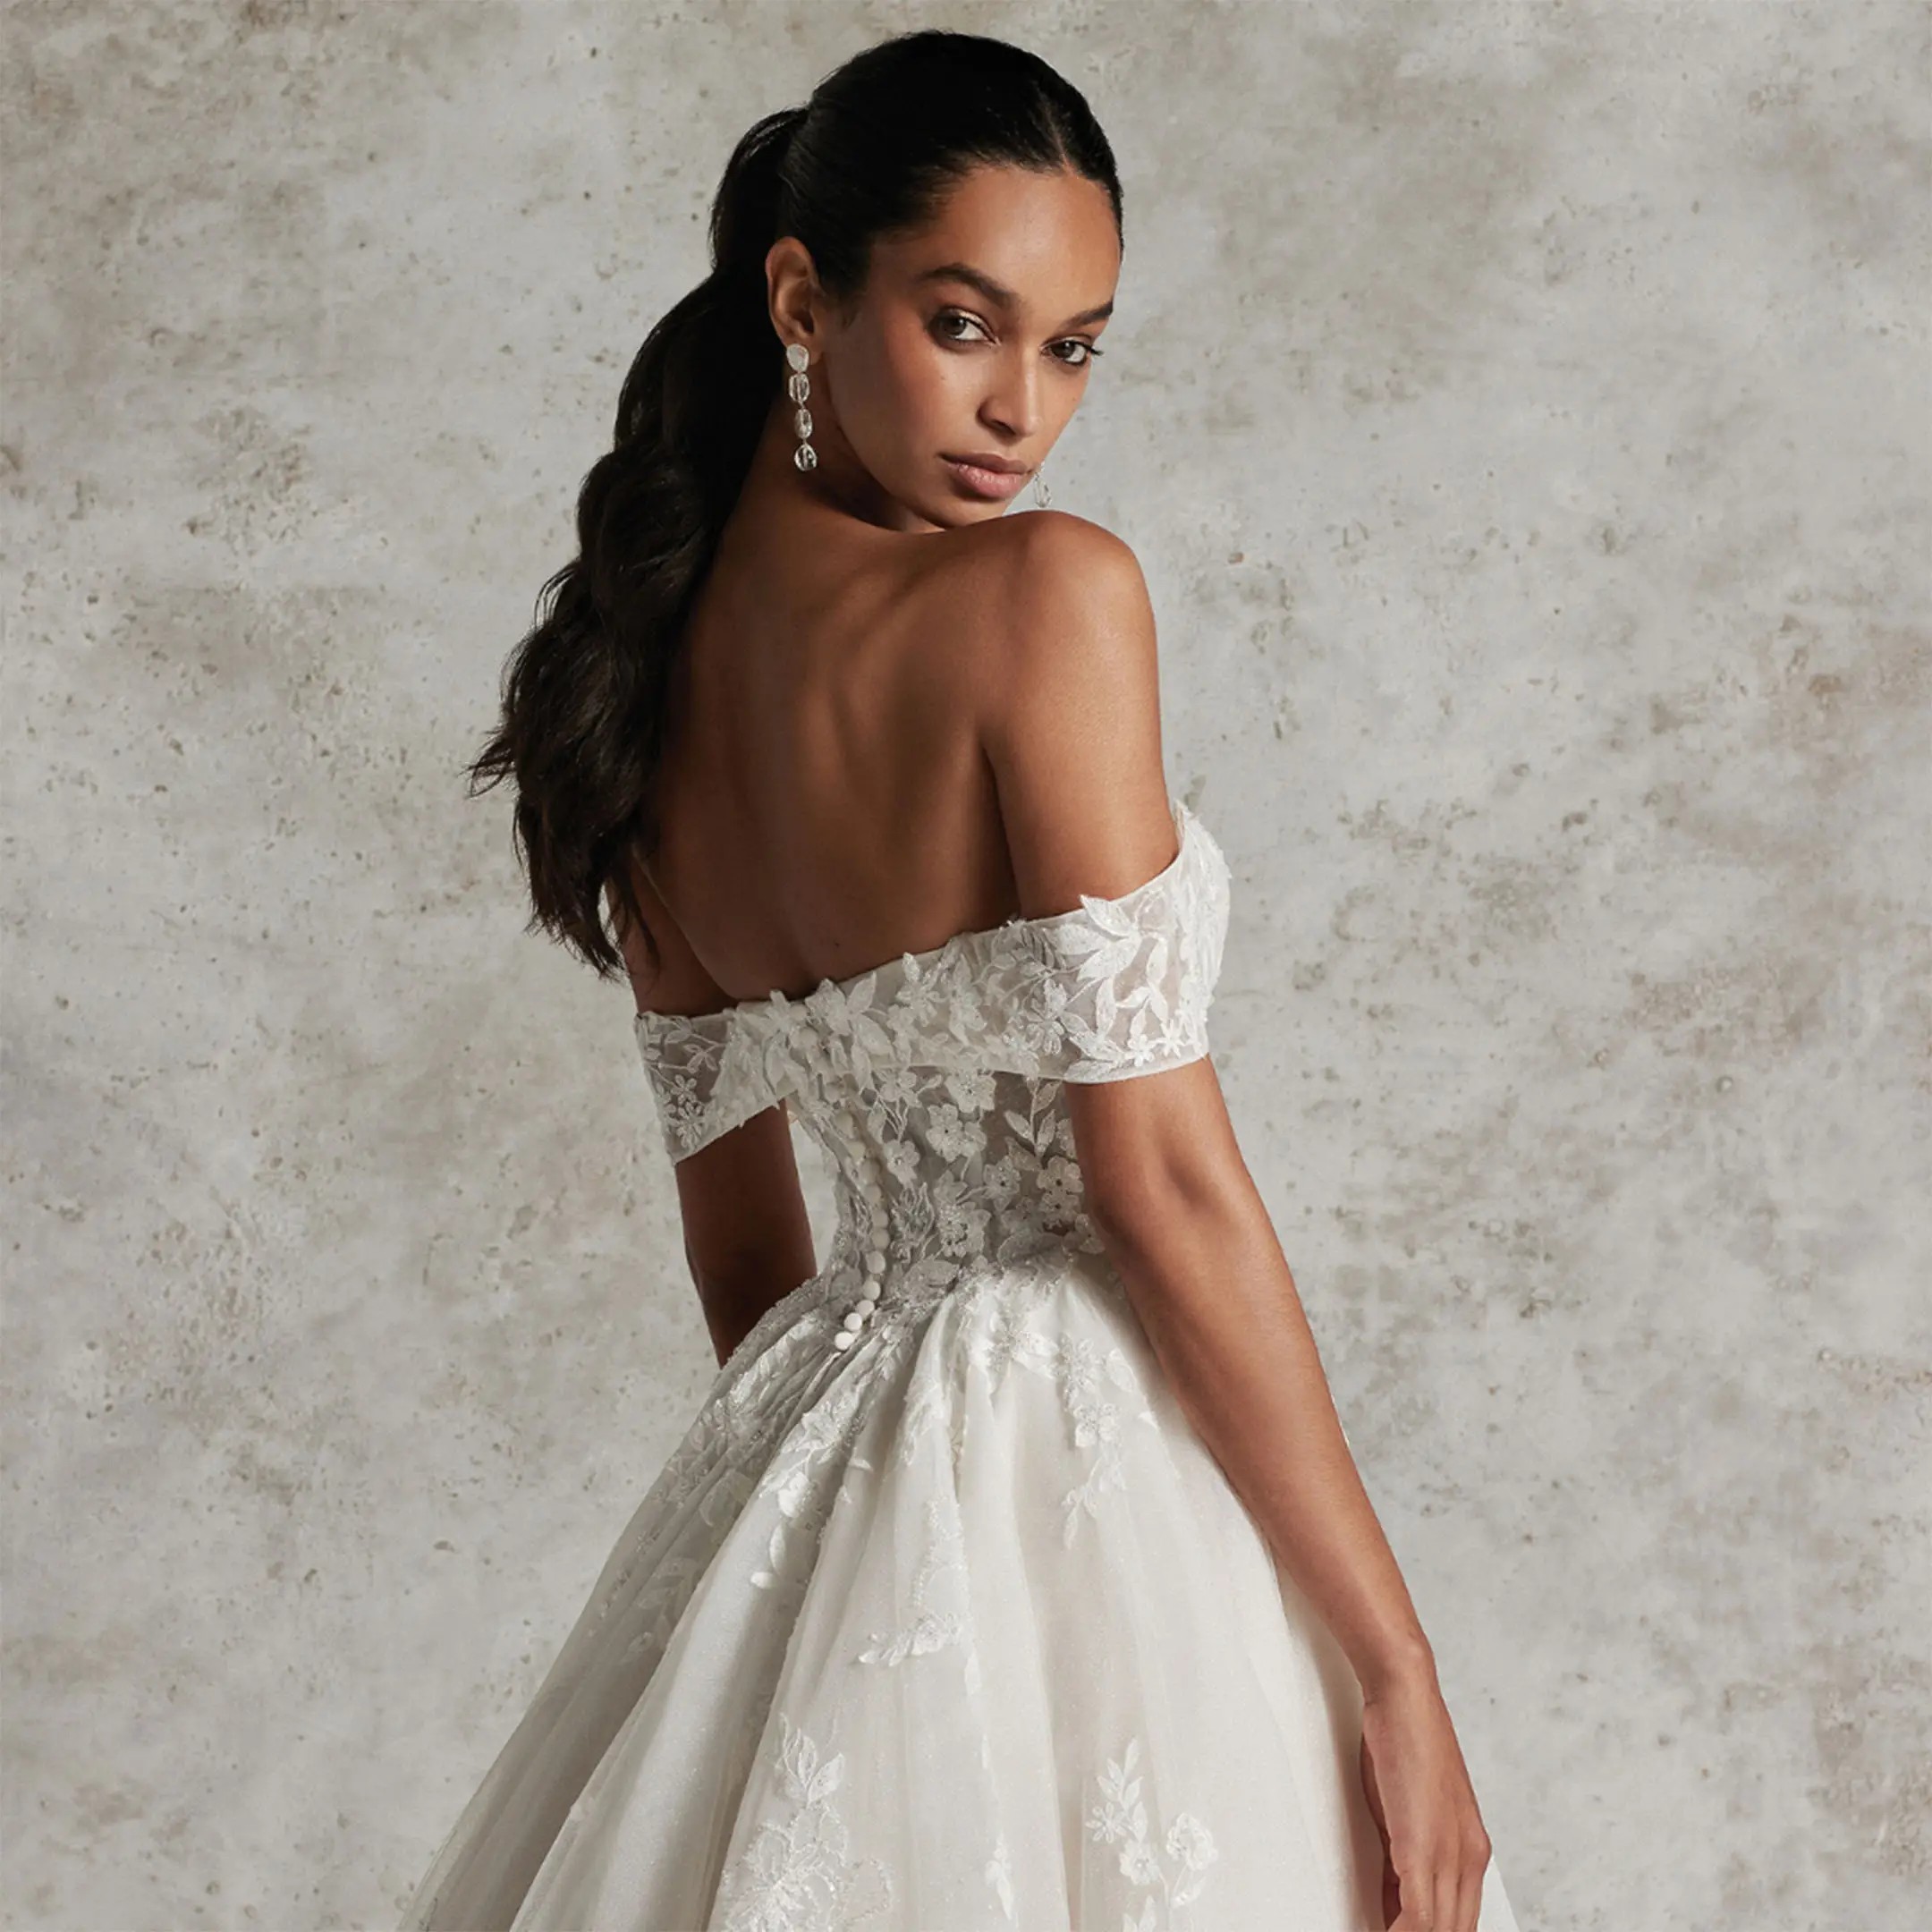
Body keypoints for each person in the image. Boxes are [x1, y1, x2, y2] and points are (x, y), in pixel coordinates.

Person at [399, 29, 1522, 1932]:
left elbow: (751, 1273)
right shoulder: (1045, 602)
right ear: (799, 299)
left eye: (1074, 346)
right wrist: (1402, 1678)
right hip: (1104, 1449)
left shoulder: (636, 726)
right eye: (964, 322)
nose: (1026, 410)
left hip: (829, 1442)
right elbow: (1160, 1187)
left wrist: (832, 1545)